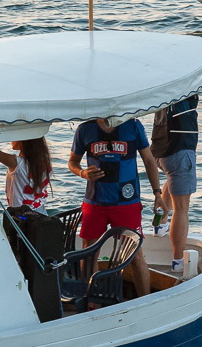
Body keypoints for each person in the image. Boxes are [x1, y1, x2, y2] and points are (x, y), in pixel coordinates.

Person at [67, 116, 164, 297]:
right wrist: (82, 173)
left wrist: (157, 193)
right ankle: (92, 299)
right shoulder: (85, 129)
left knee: (135, 254)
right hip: (95, 201)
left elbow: (149, 161)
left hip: (127, 202)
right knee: (89, 253)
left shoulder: (133, 125)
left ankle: (145, 300)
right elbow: (72, 162)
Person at [151, 94, 200, 273]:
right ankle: (178, 261)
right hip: (179, 150)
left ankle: (160, 223)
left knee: (172, 180)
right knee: (182, 209)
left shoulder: (166, 90)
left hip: (160, 149)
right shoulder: (183, 89)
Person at [0, 138, 53, 213]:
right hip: (40, 210)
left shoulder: (16, 163)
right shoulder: (44, 160)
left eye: (16, 136)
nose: (12, 139)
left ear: (23, 142)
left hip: (22, 215)